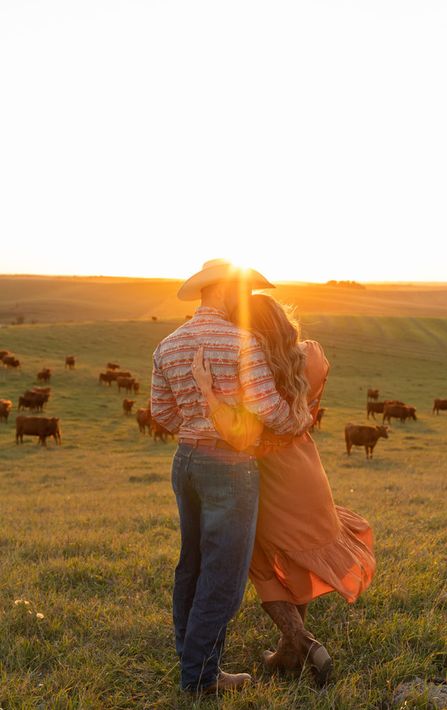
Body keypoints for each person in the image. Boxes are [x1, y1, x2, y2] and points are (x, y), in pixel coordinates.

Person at [192, 293, 376, 685]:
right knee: (298, 559)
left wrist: (210, 394)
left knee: (264, 564)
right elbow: (314, 397)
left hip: (266, 474)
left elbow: (241, 432)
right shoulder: (311, 356)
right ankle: (287, 653)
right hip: (306, 467)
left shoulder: (249, 370)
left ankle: (304, 642)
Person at [150, 260, 311, 695]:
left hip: (185, 462)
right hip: (229, 467)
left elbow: (163, 414)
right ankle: (200, 679)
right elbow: (270, 410)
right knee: (223, 577)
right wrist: (300, 418)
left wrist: (197, 414)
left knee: (192, 566)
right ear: (224, 292)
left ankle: (195, 664)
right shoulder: (243, 344)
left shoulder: (167, 344)